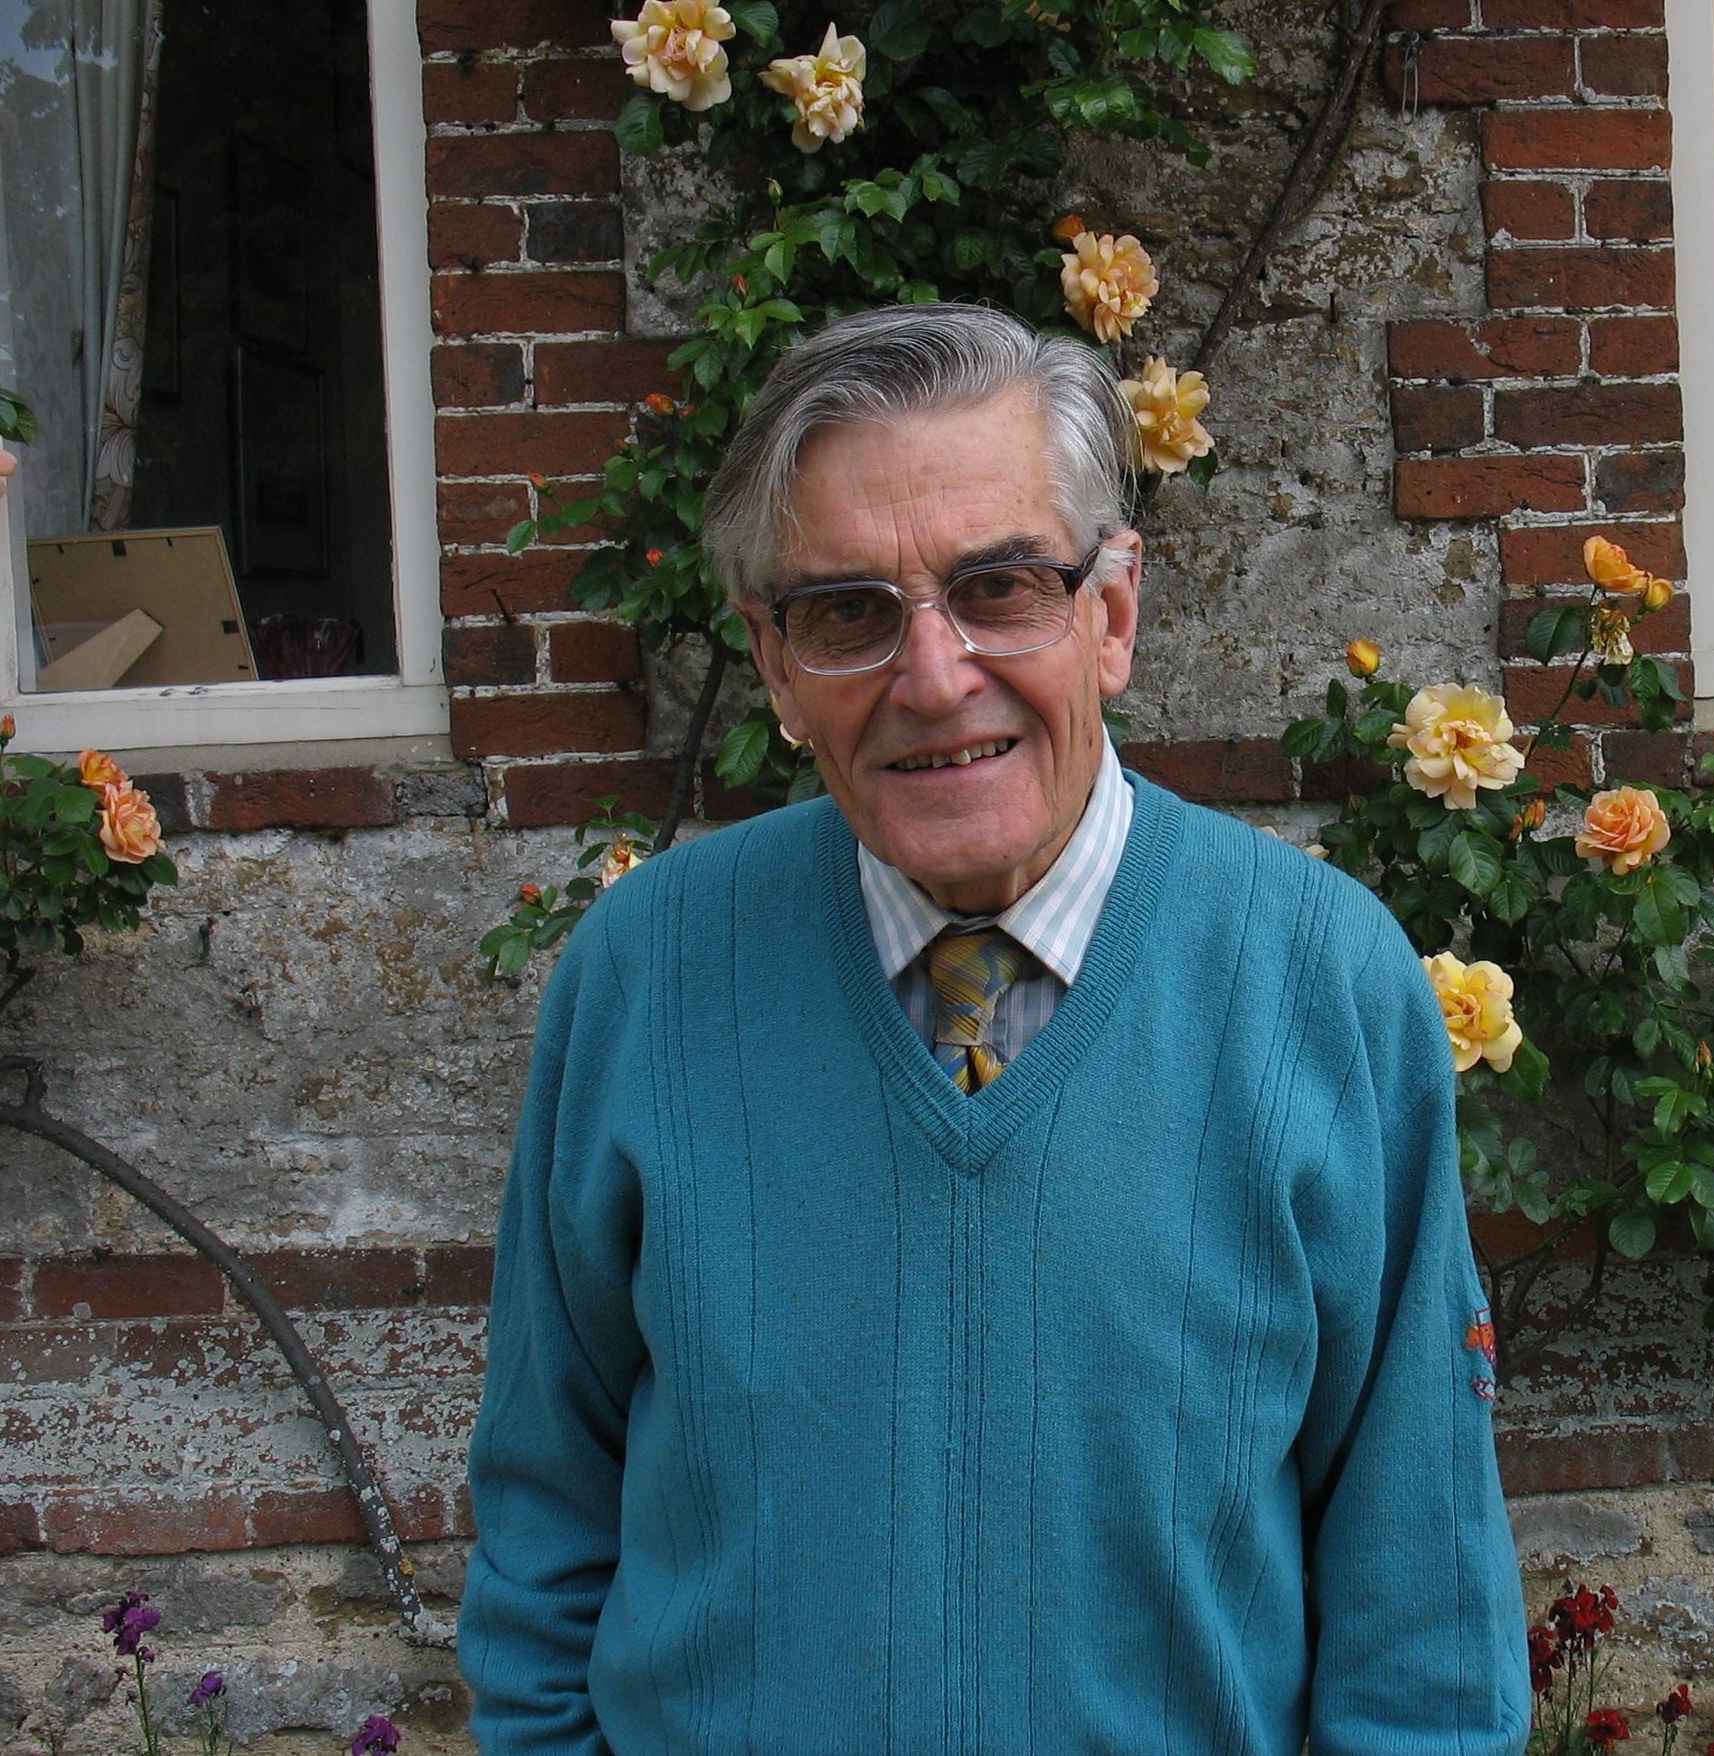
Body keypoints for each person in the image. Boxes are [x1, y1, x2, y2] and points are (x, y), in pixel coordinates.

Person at [458, 303, 1531, 1754]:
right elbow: (544, 1521)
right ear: (773, 665)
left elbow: (1424, 1618)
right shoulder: (646, 979)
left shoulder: (1318, 988)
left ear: (1114, 614)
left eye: (1001, 587)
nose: (934, 676)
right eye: (847, 612)